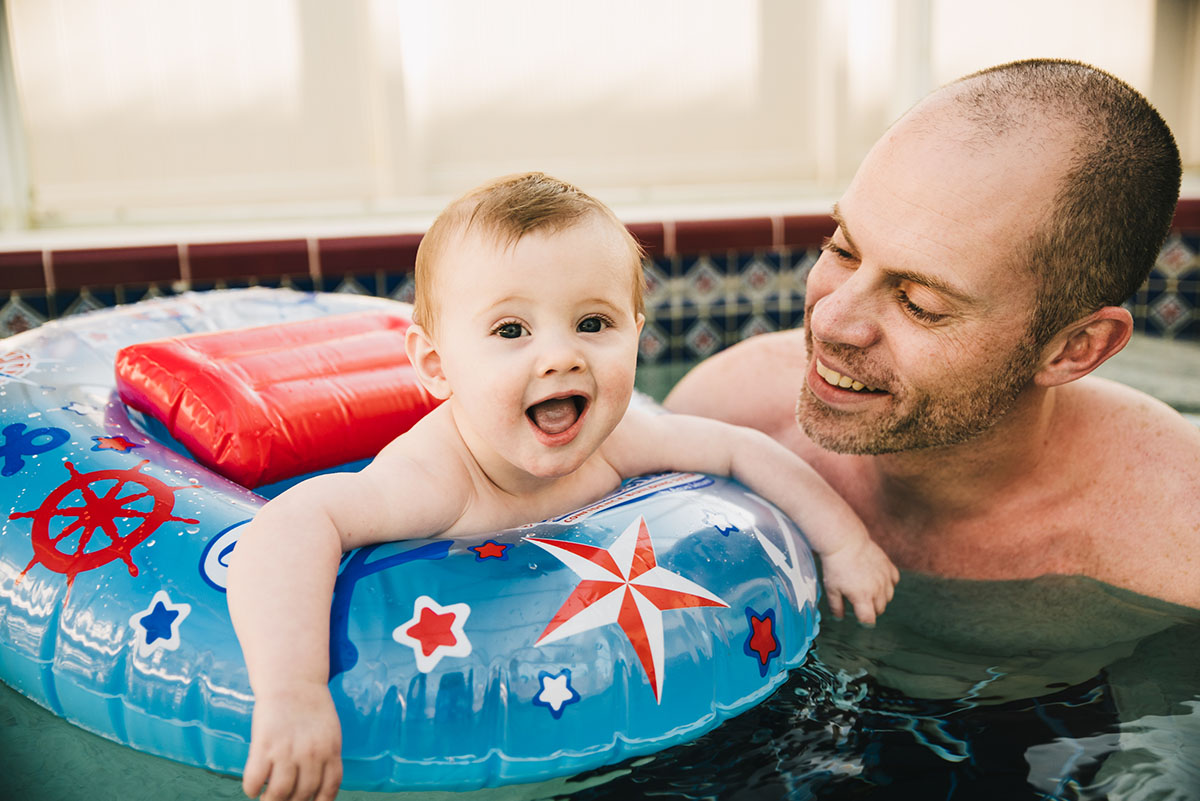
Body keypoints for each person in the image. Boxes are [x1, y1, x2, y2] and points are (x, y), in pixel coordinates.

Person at [226, 172, 899, 801]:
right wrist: (293, 691)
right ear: (436, 364)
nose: (561, 354)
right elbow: (292, 523)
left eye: (593, 323)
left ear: (638, 336)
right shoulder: (435, 479)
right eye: (511, 330)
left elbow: (734, 448)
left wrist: (844, 541)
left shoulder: (621, 437)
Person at [665, 58, 1200, 611]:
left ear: (1073, 348)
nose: (828, 321)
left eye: (920, 304)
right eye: (843, 250)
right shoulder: (725, 420)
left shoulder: (1175, 547)